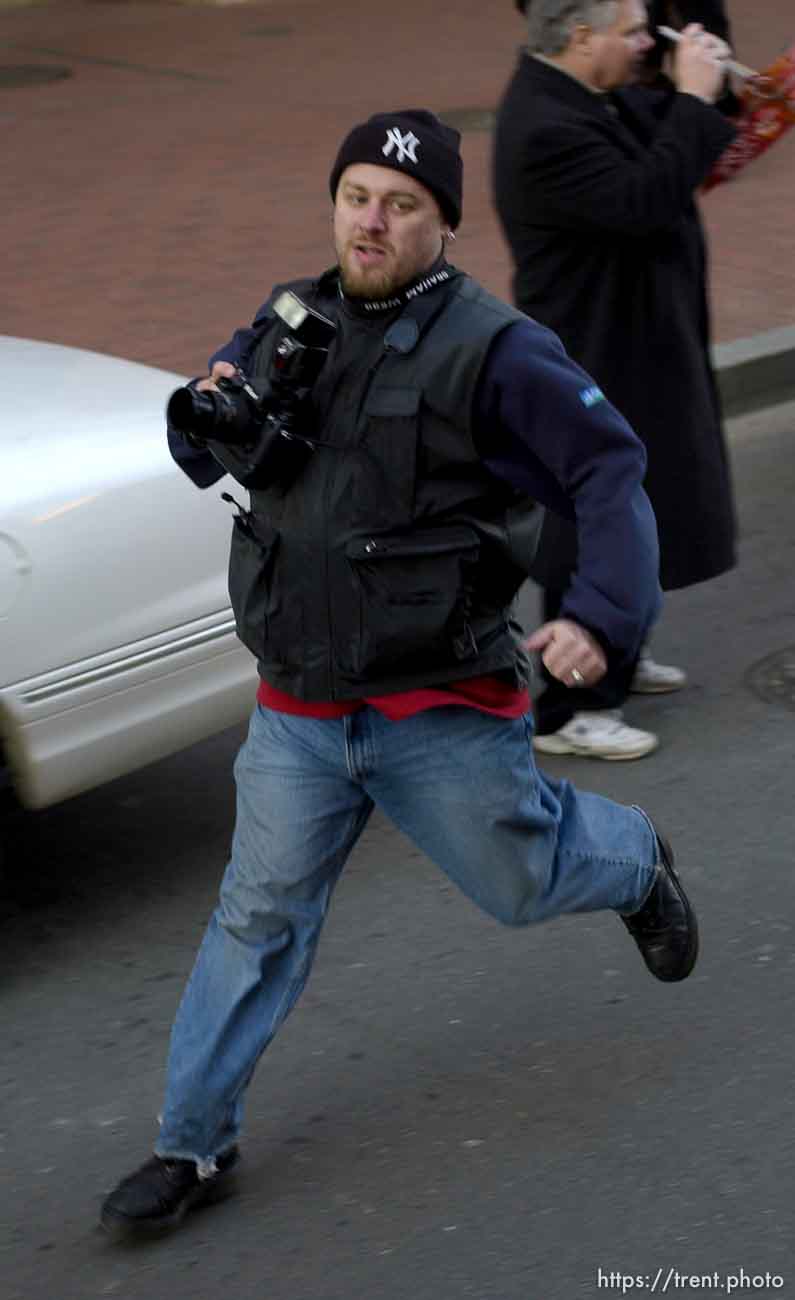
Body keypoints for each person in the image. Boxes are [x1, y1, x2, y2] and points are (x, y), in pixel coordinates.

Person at [100, 108, 698, 1240]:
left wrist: (602, 617)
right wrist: (212, 411)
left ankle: (633, 858)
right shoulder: (293, 317)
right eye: (356, 195)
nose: (371, 219)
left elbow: (611, 471)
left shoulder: (498, 349)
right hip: (299, 706)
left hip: (442, 705)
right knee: (257, 916)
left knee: (521, 886)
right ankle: (192, 1143)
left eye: (401, 203)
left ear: (444, 225)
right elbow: (216, 445)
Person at [494, 0, 738, 760]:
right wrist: (694, 97)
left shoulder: (578, 93)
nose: (644, 45)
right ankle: (573, 706)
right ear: (578, 36)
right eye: (631, 32)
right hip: (593, 352)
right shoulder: (545, 125)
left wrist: (701, 78)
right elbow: (643, 198)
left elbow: (671, 144)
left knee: (640, 503)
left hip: (631, 340)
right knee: (592, 517)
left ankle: (616, 652)